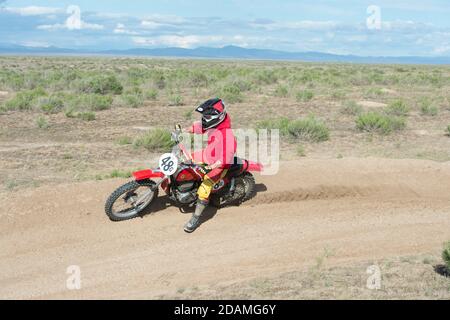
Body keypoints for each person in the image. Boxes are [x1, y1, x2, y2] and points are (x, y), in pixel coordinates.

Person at [184, 98, 237, 233]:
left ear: (217, 116)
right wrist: (185, 130)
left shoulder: (228, 135)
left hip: (219, 164)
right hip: (209, 154)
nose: (204, 118)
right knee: (186, 159)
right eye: (203, 116)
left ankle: (196, 218)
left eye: (206, 116)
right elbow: (201, 127)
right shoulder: (214, 123)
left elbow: (226, 157)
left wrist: (210, 167)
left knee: (204, 189)